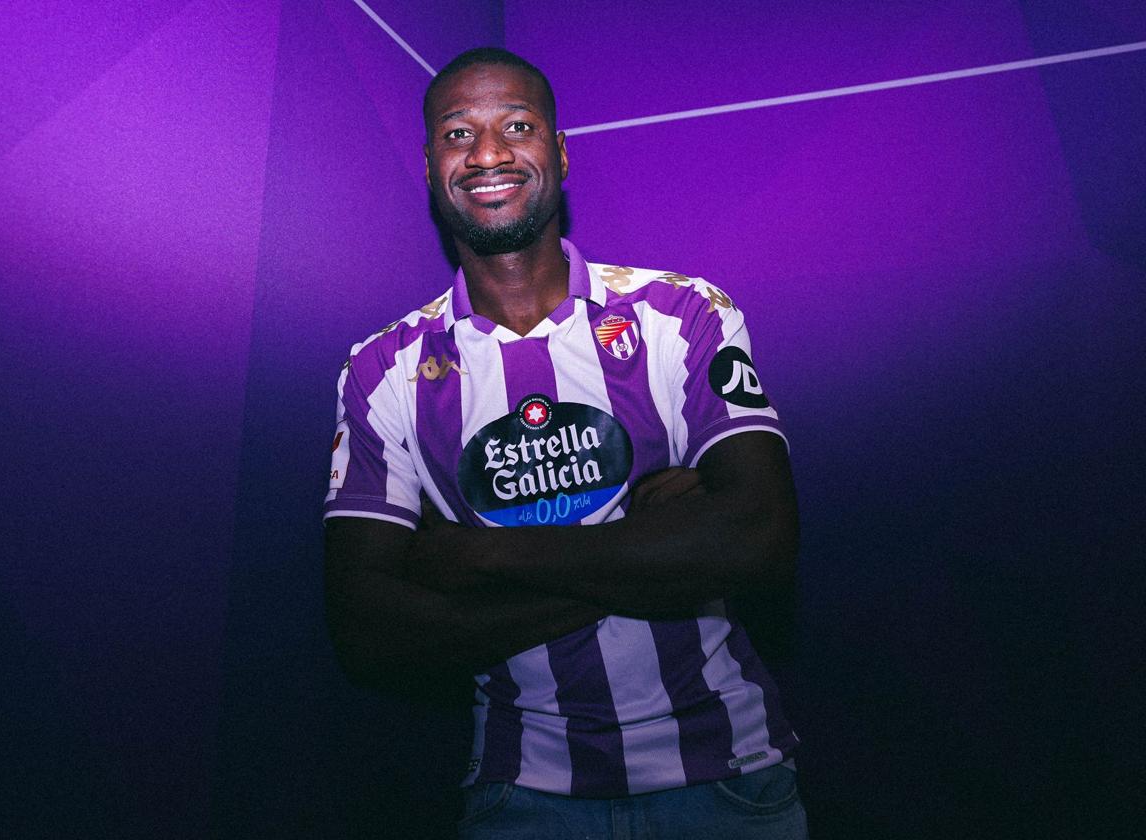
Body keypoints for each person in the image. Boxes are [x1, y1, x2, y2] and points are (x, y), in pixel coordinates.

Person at [324, 47, 808, 839]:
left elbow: (759, 543)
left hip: (731, 786)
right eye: (457, 134)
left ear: (559, 150)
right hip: (521, 801)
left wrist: (477, 559)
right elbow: (370, 632)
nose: (487, 153)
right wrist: (654, 551)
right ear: (427, 165)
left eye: (517, 125)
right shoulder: (381, 370)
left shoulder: (681, 316)